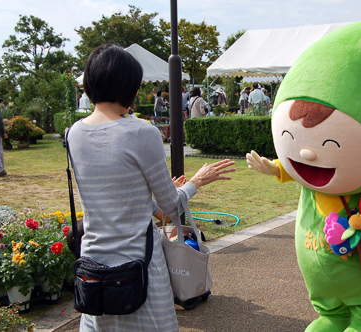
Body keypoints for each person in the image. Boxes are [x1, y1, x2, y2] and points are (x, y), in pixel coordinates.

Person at [67, 44, 236, 331]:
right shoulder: (142, 132)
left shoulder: (74, 133)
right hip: (137, 268)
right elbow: (171, 206)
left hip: (93, 268)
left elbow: (115, 194)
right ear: (129, 87)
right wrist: (196, 182)